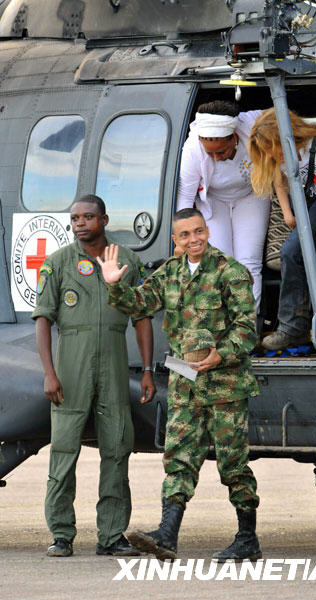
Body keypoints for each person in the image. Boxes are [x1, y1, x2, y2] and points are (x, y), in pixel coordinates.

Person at [97, 207, 261, 563]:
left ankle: (247, 538)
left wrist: (222, 353)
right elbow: (138, 304)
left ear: (207, 231)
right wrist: (114, 284)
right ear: (176, 240)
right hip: (185, 381)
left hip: (225, 384)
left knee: (233, 464)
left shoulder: (230, 272)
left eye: (198, 232)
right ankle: (167, 535)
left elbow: (248, 327)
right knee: (178, 459)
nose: (194, 240)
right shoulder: (169, 274)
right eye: (185, 235)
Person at [32, 194, 156, 558]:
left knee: (117, 447)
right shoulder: (57, 264)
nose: (80, 223)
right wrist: (49, 374)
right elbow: (43, 321)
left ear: (103, 219)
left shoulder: (127, 261)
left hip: (114, 362)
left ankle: (112, 535)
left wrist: (147, 371)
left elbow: (143, 319)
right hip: (71, 363)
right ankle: (61, 534)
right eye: (74, 219)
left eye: (88, 217)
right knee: (64, 449)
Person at [249, 108, 316, 350]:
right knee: (291, 252)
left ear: (287, 136)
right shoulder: (283, 156)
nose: (271, 155)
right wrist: (288, 214)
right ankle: (294, 327)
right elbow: (280, 181)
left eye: (273, 148)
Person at [176, 100, 270, 309]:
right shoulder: (193, 149)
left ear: (234, 137)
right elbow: (185, 196)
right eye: (211, 154)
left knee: (248, 263)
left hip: (251, 195)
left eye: (222, 152)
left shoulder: (252, 125)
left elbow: (283, 116)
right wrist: (182, 238)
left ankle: (247, 328)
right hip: (213, 201)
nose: (217, 158)